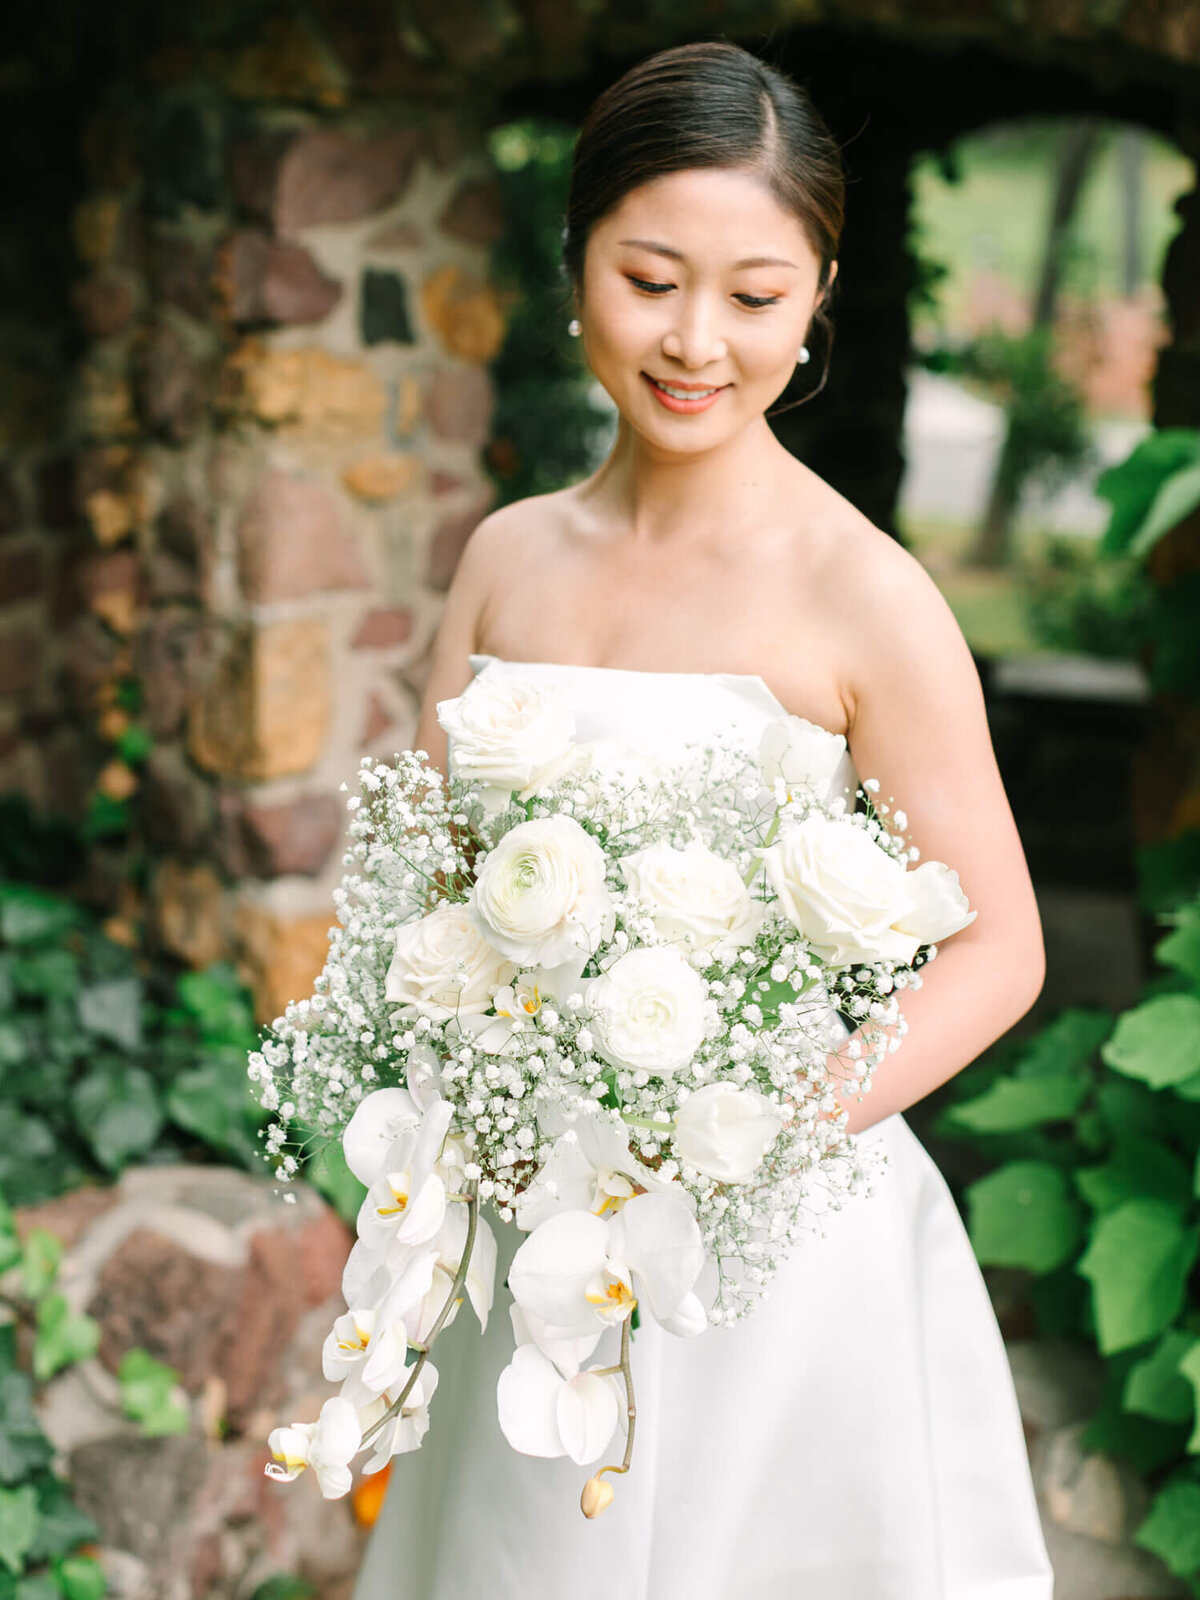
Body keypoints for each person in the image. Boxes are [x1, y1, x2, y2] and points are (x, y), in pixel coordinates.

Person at [353, 38, 1055, 1599]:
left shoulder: (867, 594)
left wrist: (758, 1126)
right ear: (578, 265)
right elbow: (435, 893)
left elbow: (1000, 947)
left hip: (777, 1253)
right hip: (538, 1231)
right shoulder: (505, 559)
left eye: (753, 295)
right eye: (649, 277)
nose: (695, 341)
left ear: (813, 301)